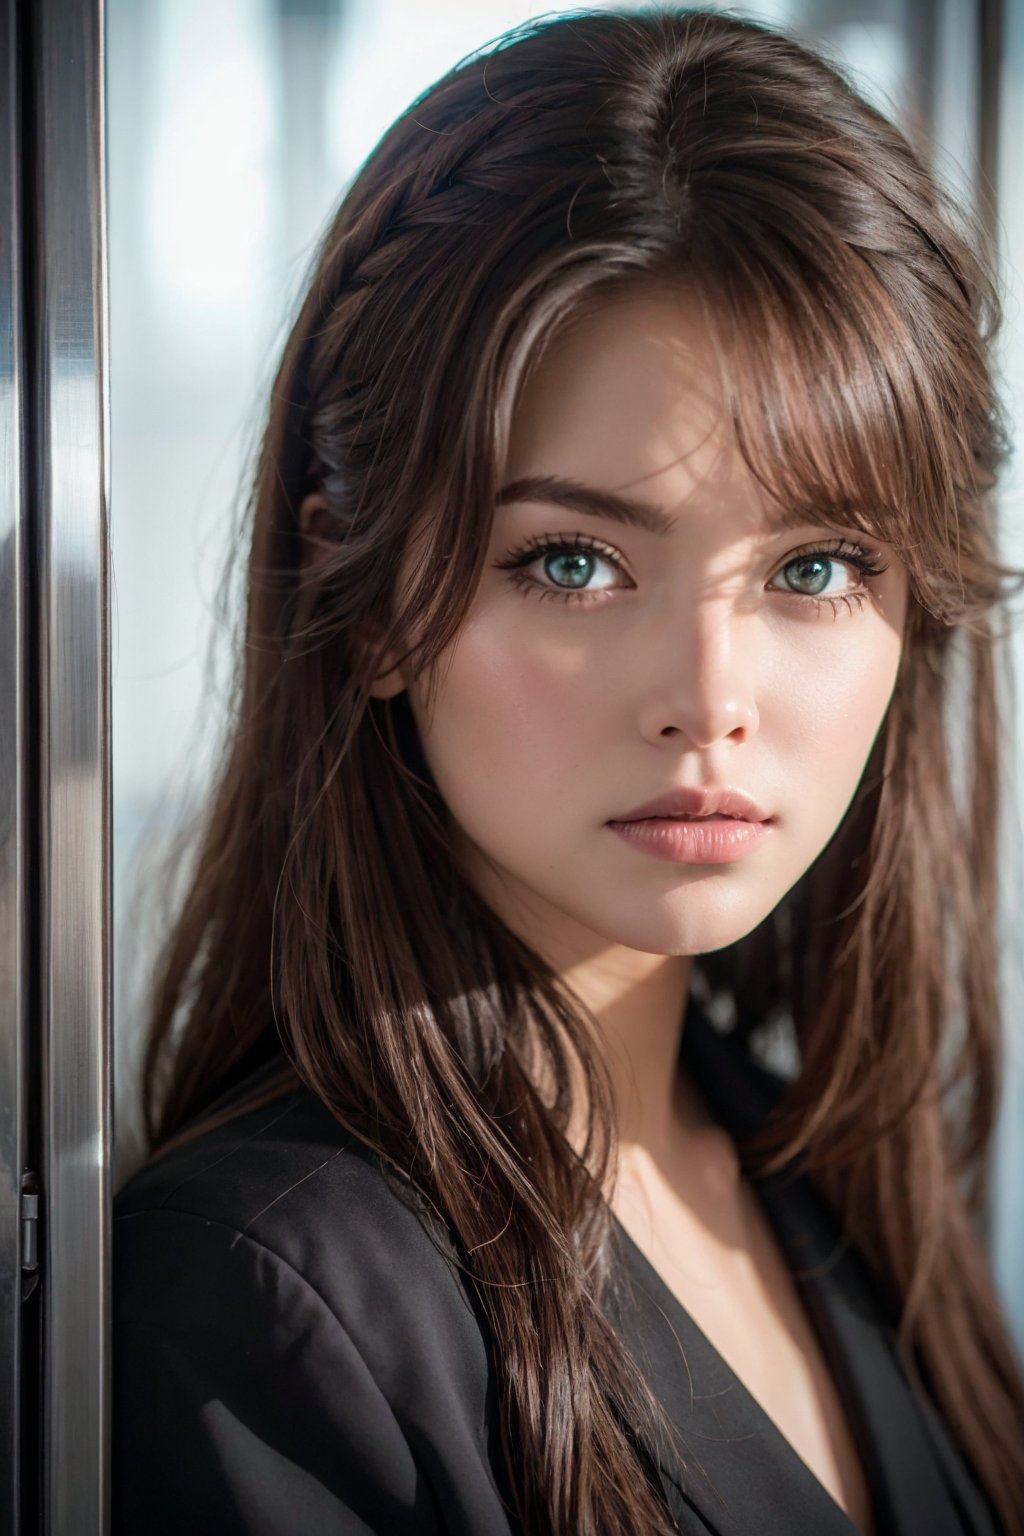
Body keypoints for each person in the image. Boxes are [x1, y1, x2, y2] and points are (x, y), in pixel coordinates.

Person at [111, 8, 1024, 1535]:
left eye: (813, 567)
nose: (711, 701)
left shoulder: (826, 1178)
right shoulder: (262, 1306)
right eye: (574, 561)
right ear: (374, 590)